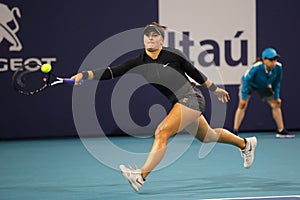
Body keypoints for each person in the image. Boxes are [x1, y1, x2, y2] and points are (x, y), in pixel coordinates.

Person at [71, 22, 257, 192]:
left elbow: (195, 73)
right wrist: (84, 74)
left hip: (191, 97)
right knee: (208, 136)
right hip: (178, 102)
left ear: (161, 39)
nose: (150, 38)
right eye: (147, 35)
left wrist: (215, 89)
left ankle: (141, 176)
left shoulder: (173, 55)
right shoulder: (139, 61)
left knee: (162, 132)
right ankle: (245, 144)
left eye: (155, 35)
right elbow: (112, 72)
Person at [233, 48, 295, 138]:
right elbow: (246, 80)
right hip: (249, 84)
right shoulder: (256, 67)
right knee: (242, 105)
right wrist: (243, 98)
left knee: (276, 104)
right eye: (271, 59)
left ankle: (281, 131)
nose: (273, 62)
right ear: (264, 60)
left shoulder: (278, 67)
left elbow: (277, 83)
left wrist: (276, 97)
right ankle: (235, 131)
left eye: (275, 59)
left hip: (263, 86)